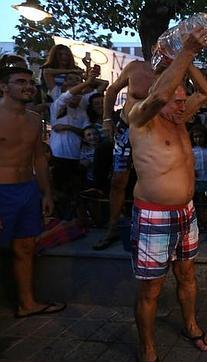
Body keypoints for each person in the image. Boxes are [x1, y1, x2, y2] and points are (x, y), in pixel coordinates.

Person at [127, 28, 207, 362]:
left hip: (185, 212)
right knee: (151, 287)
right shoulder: (141, 117)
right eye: (178, 100)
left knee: (187, 274)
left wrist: (178, 59)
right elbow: (161, 97)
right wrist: (186, 52)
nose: (183, 105)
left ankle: (191, 324)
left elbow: (205, 91)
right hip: (154, 214)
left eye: (183, 100)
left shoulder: (178, 117)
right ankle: (147, 347)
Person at [0, 66, 61, 317]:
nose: (28, 86)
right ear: (3, 86)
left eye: (30, 82)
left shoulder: (35, 119)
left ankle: (27, 304)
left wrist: (46, 193)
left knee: (25, 248)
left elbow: (39, 159)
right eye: (20, 82)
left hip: (27, 190)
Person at [92, 60, 155, 250]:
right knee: (118, 180)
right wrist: (107, 119)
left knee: (152, 181)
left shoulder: (173, 70)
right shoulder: (136, 67)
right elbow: (112, 91)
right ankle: (112, 227)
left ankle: (149, 227)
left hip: (154, 133)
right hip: (126, 128)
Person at [49, 69, 105, 220]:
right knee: (59, 191)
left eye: (77, 94)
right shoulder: (58, 105)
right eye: (72, 93)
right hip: (59, 156)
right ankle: (58, 220)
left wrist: (68, 128)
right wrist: (86, 81)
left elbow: (86, 132)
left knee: (77, 191)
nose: (74, 96)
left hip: (77, 158)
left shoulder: (83, 111)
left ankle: (74, 222)